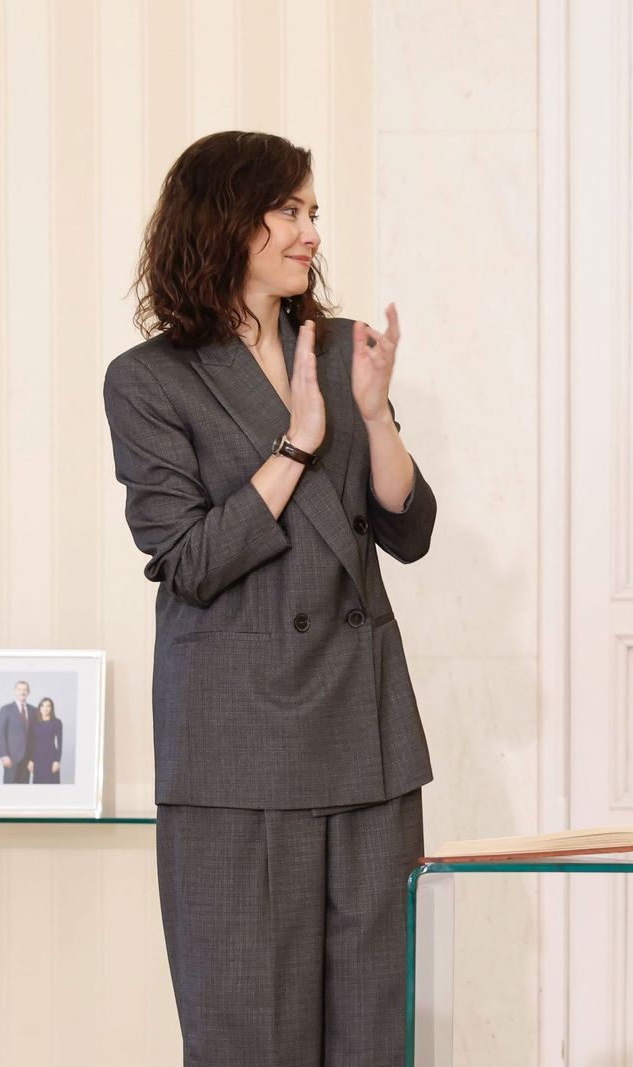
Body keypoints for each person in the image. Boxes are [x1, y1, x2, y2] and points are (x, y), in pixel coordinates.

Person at [103, 130, 437, 1066]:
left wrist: (371, 414)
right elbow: (190, 558)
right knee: (251, 1031)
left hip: (365, 735)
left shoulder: (339, 351)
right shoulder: (148, 382)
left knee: (378, 1032)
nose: (309, 234)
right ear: (224, 221)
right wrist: (295, 443)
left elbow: (407, 529)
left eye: (313, 213)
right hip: (237, 745)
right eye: (288, 211)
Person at [0, 680, 34, 784]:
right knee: (9, 790)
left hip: (27, 759)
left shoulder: (34, 710)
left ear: (28, 692)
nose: (22, 692)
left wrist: (32, 759)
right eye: (20, 689)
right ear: (15, 691)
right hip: (11, 757)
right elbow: (0, 734)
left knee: (23, 790)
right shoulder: (6, 709)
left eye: (25, 690)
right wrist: (4, 755)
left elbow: (35, 737)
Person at [29, 697, 63, 784]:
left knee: (53, 787)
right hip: (37, 759)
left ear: (51, 708)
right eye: (43, 706)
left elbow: (60, 743)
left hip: (51, 758)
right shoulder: (34, 723)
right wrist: (31, 760)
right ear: (40, 708)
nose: (45, 708)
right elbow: (31, 743)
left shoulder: (57, 722)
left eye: (48, 706)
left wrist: (57, 761)